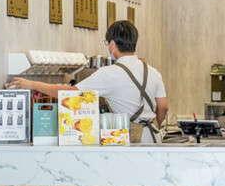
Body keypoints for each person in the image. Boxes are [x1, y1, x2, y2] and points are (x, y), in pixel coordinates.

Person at [9, 20, 168, 144]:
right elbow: (163, 107)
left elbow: (68, 94)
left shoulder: (109, 74)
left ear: (112, 44)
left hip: (131, 138)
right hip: (154, 136)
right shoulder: (153, 72)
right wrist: (154, 124)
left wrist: (32, 84)